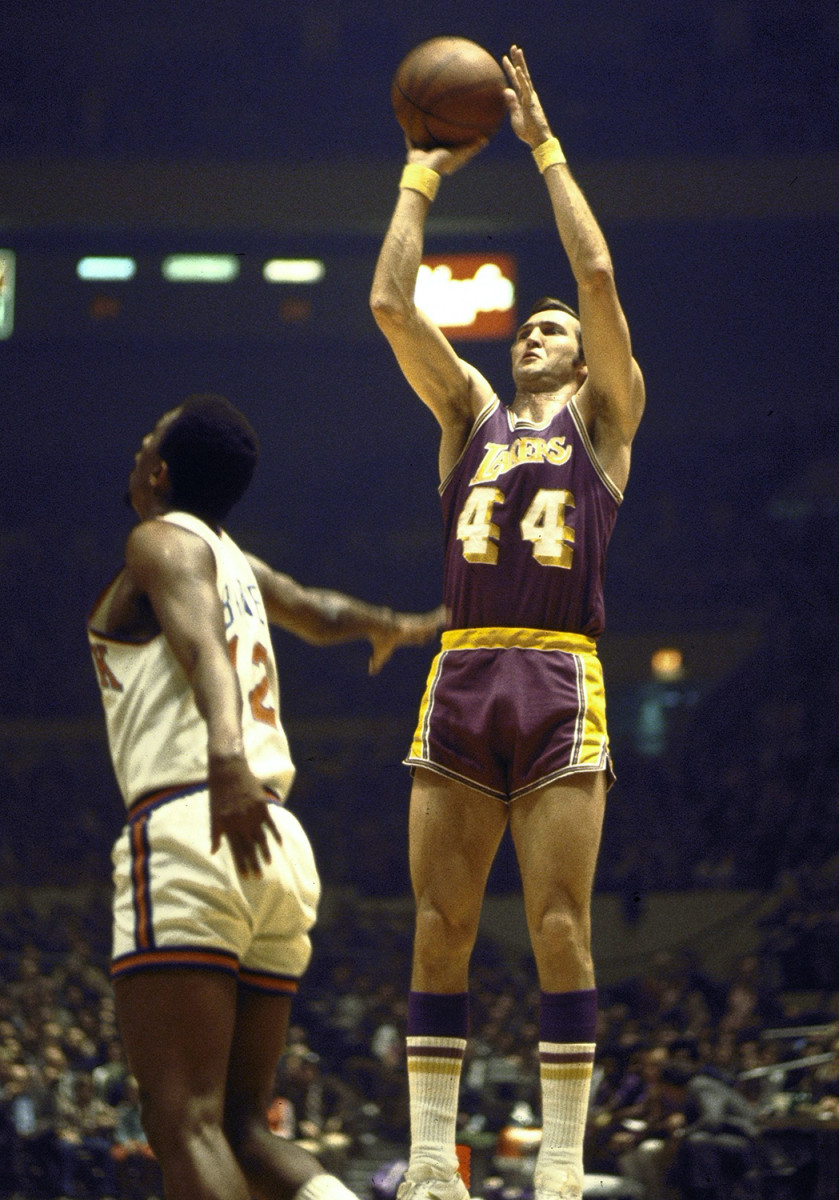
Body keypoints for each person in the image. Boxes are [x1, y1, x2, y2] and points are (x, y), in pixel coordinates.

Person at [369, 44, 645, 1200]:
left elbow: (591, 271)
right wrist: (419, 173)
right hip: (464, 669)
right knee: (439, 924)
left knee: (557, 930)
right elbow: (389, 299)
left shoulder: (605, 420)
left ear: (585, 358)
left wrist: (540, 146)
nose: (531, 332)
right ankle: (434, 1163)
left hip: (558, 672)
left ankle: (563, 1170)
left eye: (548, 328)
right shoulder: (468, 412)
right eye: (520, 326)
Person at [87, 393, 445, 1200]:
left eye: (147, 438)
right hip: (277, 844)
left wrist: (225, 752)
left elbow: (201, 645)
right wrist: (394, 623)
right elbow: (318, 614)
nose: (138, 450)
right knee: (245, 1127)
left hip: (201, 818)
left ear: (160, 471)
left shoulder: (158, 543)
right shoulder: (234, 560)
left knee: (182, 1122)